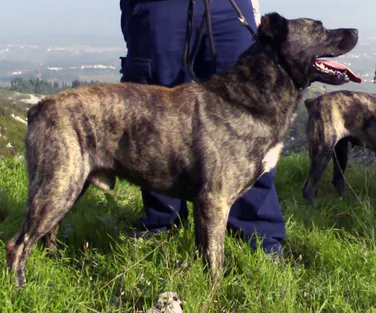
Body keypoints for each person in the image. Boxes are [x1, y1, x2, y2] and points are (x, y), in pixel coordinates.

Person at [118, 0, 285, 255]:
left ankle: (259, 238)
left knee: (248, 108)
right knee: (154, 109)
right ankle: (163, 224)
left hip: (228, 5)